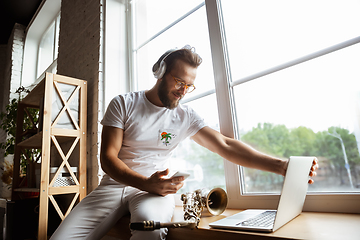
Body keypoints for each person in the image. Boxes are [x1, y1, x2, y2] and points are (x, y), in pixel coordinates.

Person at [50, 45, 318, 240]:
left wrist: (282, 166)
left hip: (153, 193)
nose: (183, 90)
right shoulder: (123, 103)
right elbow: (108, 159)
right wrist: (144, 181)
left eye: (189, 86)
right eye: (179, 81)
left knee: (149, 231)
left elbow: (225, 146)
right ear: (160, 72)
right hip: (113, 186)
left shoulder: (185, 116)